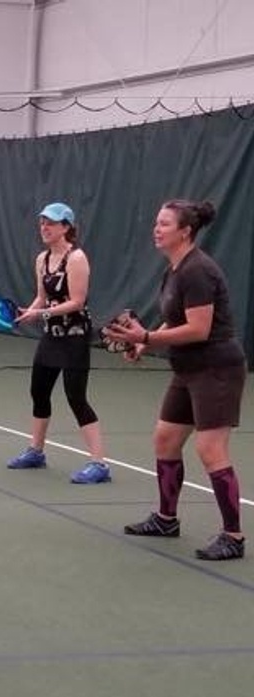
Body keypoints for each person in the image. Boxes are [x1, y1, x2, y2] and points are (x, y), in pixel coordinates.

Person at [105, 199, 246, 561]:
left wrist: (145, 338)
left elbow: (199, 329)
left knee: (210, 449)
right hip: (187, 369)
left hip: (216, 368)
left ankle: (233, 536)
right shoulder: (174, 270)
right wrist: (145, 342)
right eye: (156, 222)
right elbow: (175, 319)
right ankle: (167, 519)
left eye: (165, 224)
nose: (157, 228)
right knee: (165, 439)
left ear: (185, 231)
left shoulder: (198, 270)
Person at [6, 202, 111, 484]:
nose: (44, 227)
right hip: (51, 336)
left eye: (51, 223)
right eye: (42, 222)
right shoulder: (41, 259)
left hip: (75, 337)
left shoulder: (77, 258)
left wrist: (42, 313)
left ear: (66, 227)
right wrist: (30, 312)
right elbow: (41, 297)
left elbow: (77, 301)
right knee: (38, 392)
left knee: (77, 397)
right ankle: (36, 451)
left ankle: (99, 464)